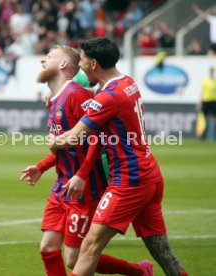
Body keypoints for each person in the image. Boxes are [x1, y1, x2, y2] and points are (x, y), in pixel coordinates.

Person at [50, 37, 189, 276]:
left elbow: (74, 137)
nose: (80, 67)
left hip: (129, 180)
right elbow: (102, 96)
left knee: (89, 246)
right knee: (163, 253)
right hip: (150, 175)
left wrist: (54, 140)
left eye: (82, 62)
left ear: (94, 64)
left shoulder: (108, 97)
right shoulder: (126, 83)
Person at [20, 44, 153, 276]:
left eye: (49, 56)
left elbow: (97, 137)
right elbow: (65, 147)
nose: (43, 60)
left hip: (84, 190)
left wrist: (81, 174)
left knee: (74, 259)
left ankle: (139, 271)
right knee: (48, 248)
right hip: (61, 187)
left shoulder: (77, 95)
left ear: (63, 64)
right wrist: (41, 167)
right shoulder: (53, 100)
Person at [197, 66, 216, 139]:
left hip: (214, 101)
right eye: (210, 71)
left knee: (214, 119)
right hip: (205, 101)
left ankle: (214, 136)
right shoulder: (205, 81)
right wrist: (200, 103)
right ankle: (202, 136)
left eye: (212, 71)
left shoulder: (215, 82)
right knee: (203, 119)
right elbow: (202, 92)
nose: (211, 72)